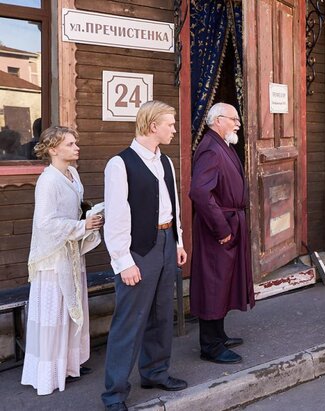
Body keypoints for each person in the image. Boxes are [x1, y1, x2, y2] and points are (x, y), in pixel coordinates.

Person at [102, 101, 188, 411]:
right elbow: (115, 217)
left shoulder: (166, 161)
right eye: (170, 124)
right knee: (129, 321)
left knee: (162, 314)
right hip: (138, 249)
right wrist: (123, 261)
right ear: (153, 126)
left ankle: (155, 373)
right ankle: (114, 394)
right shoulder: (120, 164)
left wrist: (177, 242)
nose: (174, 129)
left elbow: (172, 206)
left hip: (166, 242)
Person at [21, 126, 103, 395]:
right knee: (55, 312)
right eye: (70, 144)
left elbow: (75, 207)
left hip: (71, 251)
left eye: (75, 142)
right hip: (54, 258)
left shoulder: (73, 173)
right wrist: (81, 226)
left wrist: (89, 217)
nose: (76, 147)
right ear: (53, 149)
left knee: (71, 307)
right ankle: (48, 374)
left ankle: (69, 365)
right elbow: (45, 224)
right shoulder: (48, 181)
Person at [190, 102, 253, 364]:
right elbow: (200, 193)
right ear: (217, 120)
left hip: (229, 222)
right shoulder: (210, 149)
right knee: (214, 283)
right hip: (217, 228)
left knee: (224, 280)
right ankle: (210, 346)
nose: (238, 123)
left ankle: (218, 335)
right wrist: (222, 228)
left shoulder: (222, 145)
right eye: (233, 119)